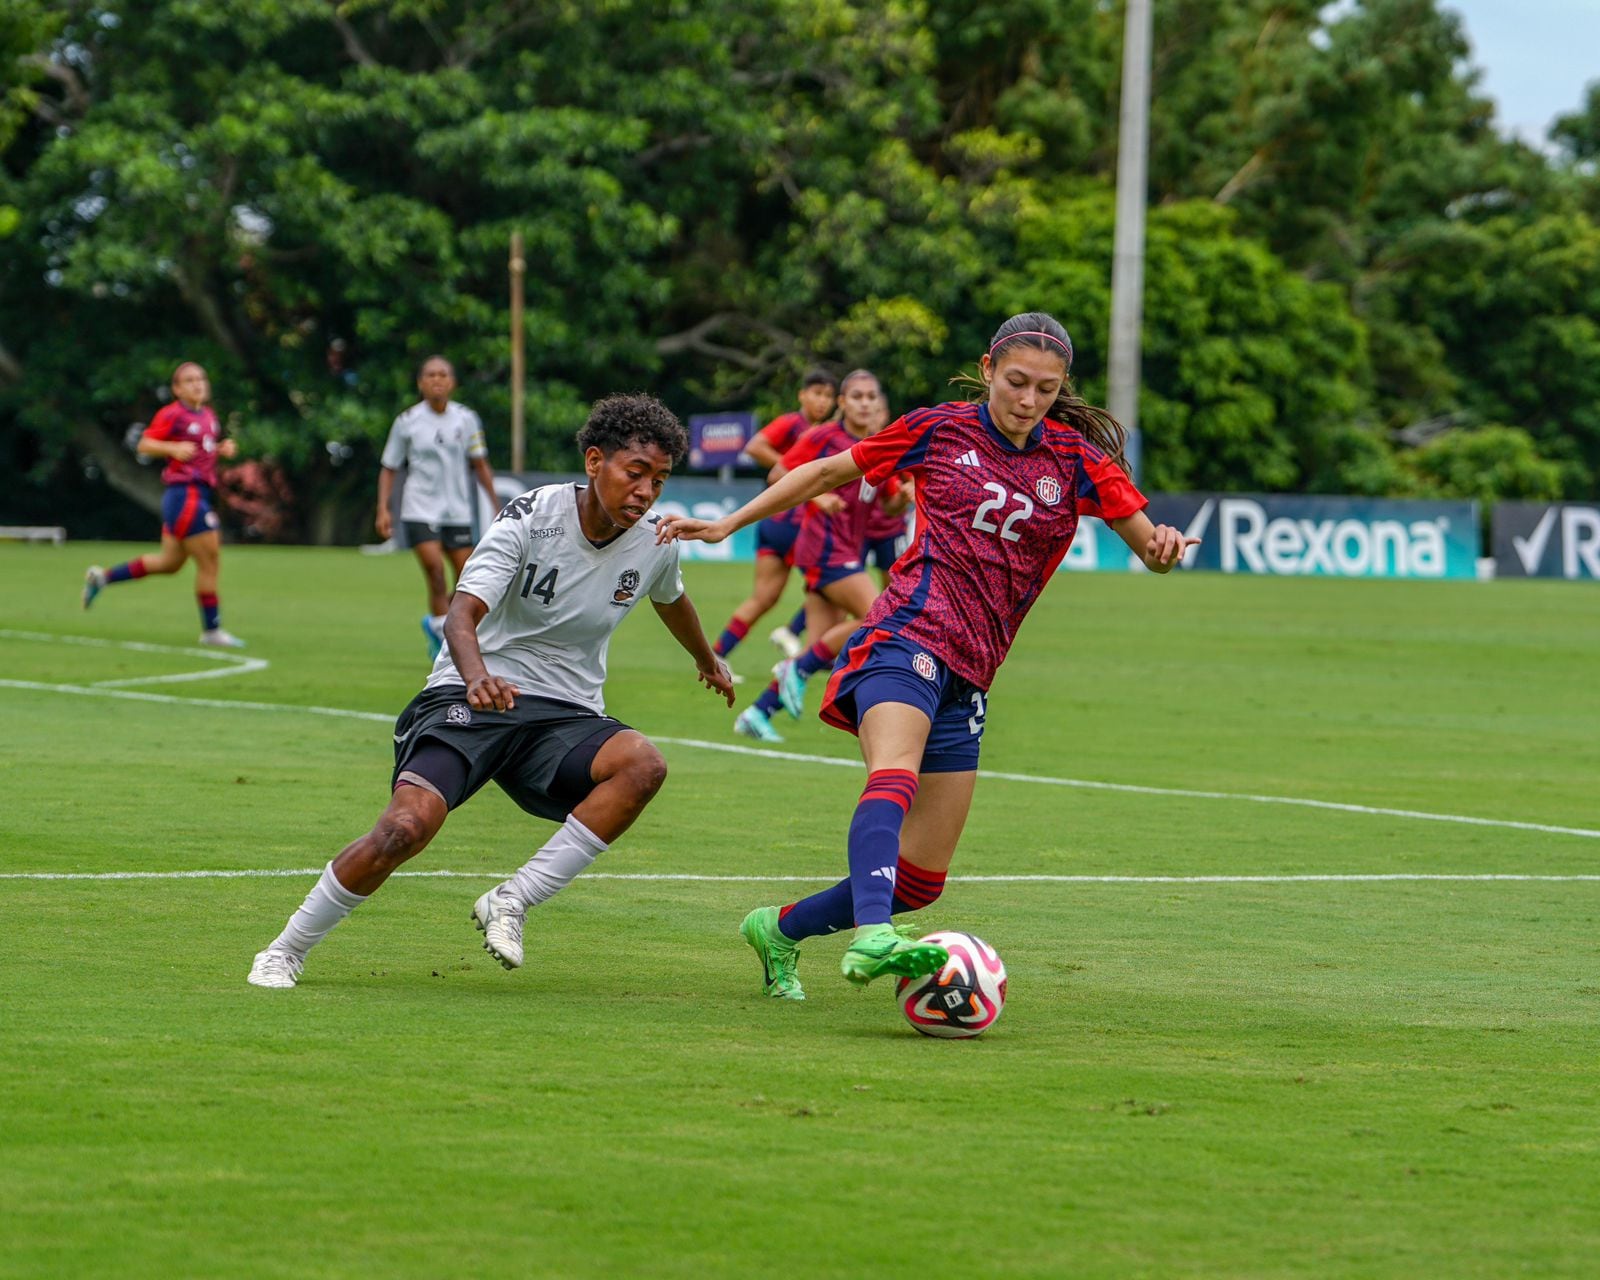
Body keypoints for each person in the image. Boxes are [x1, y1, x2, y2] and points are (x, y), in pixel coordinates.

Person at [658, 313, 1199, 997]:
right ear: (987, 369)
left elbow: (1150, 549)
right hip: (905, 635)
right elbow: (825, 470)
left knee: (922, 877)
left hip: (971, 672)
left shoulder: (1077, 461)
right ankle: (872, 937)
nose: (1027, 401)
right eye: (1016, 382)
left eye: (1045, 388)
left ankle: (780, 929)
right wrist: (728, 523)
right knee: (894, 770)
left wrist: (1164, 550)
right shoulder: (939, 429)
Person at [247, 394, 735, 989]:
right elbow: (459, 615)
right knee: (404, 828)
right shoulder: (531, 515)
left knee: (642, 765)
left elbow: (671, 596)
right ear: (594, 461)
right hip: (473, 691)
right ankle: (285, 949)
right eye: (635, 474)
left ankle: (512, 899)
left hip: (563, 713)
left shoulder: (655, 540)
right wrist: (477, 676)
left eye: (658, 480)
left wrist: (707, 660)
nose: (646, 492)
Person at [732, 369, 905, 743]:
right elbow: (778, 474)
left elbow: (890, 504)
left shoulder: (880, 444)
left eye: (871, 397)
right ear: (842, 403)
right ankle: (796, 669)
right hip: (824, 551)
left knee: (821, 645)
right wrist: (815, 493)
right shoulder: (823, 437)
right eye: (856, 396)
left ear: (879, 403)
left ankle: (758, 712)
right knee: (881, 614)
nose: (864, 403)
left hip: (845, 552)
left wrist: (904, 497)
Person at [82, 361, 246, 647]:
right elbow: (144, 444)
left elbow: (201, 451)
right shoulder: (172, 414)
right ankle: (212, 631)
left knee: (169, 563)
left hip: (194, 495)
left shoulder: (208, 415)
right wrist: (172, 448)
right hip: (185, 496)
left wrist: (221, 449)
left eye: (201, 379)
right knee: (210, 562)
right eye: (190, 380)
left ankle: (103, 578)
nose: (198, 384)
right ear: (177, 389)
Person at [708, 369, 838, 674]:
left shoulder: (826, 431)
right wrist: (794, 467)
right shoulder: (796, 424)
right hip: (795, 522)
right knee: (838, 586)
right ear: (802, 395)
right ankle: (800, 641)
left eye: (828, 396)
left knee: (764, 598)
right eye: (817, 393)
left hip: (775, 521)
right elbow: (755, 446)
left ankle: (717, 654)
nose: (822, 401)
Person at [376, 356, 500, 660]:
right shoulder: (407, 422)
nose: (437, 380)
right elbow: (389, 467)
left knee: (467, 578)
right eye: (430, 375)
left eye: (443, 374)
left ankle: (437, 625)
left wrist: (496, 505)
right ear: (421, 383)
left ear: (452, 382)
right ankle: (447, 646)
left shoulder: (466, 419)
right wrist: (383, 508)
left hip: (456, 510)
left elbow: (479, 463)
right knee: (434, 571)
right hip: (419, 507)